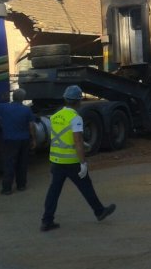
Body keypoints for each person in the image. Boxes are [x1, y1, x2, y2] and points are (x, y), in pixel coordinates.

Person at [40, 85, 116, 232]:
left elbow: (61, 136)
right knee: (86, 187)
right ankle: (99, 211)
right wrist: (83, 163)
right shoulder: (76, 118)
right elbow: (78, 142)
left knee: (53, 192)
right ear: (78, 101)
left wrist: (81, 143)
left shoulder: (55, 116)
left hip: (56, 161)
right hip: (72, 161)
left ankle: (46, 220)